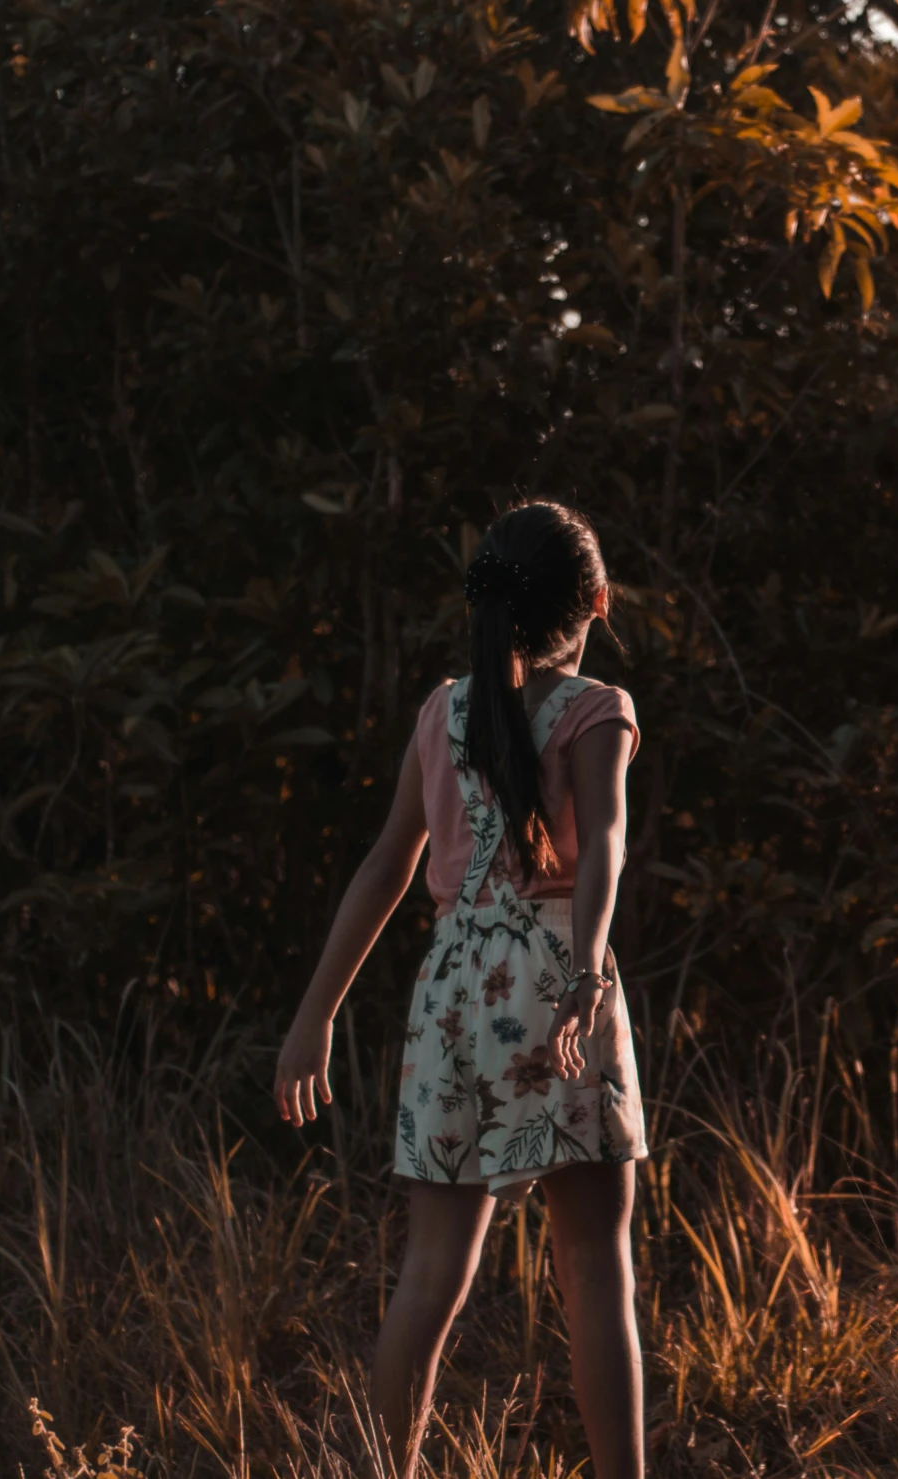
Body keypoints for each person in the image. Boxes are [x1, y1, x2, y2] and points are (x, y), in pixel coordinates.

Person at [272, 499, 646, 1478]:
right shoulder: (596, 710)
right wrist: (586, 969)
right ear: (595, 602)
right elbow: (603, 845)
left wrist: (316, 1013)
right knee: (595, 1272)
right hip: (555, 975)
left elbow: (386, 864)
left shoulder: (443, 712)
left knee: (430, 1274)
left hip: (451, 991)